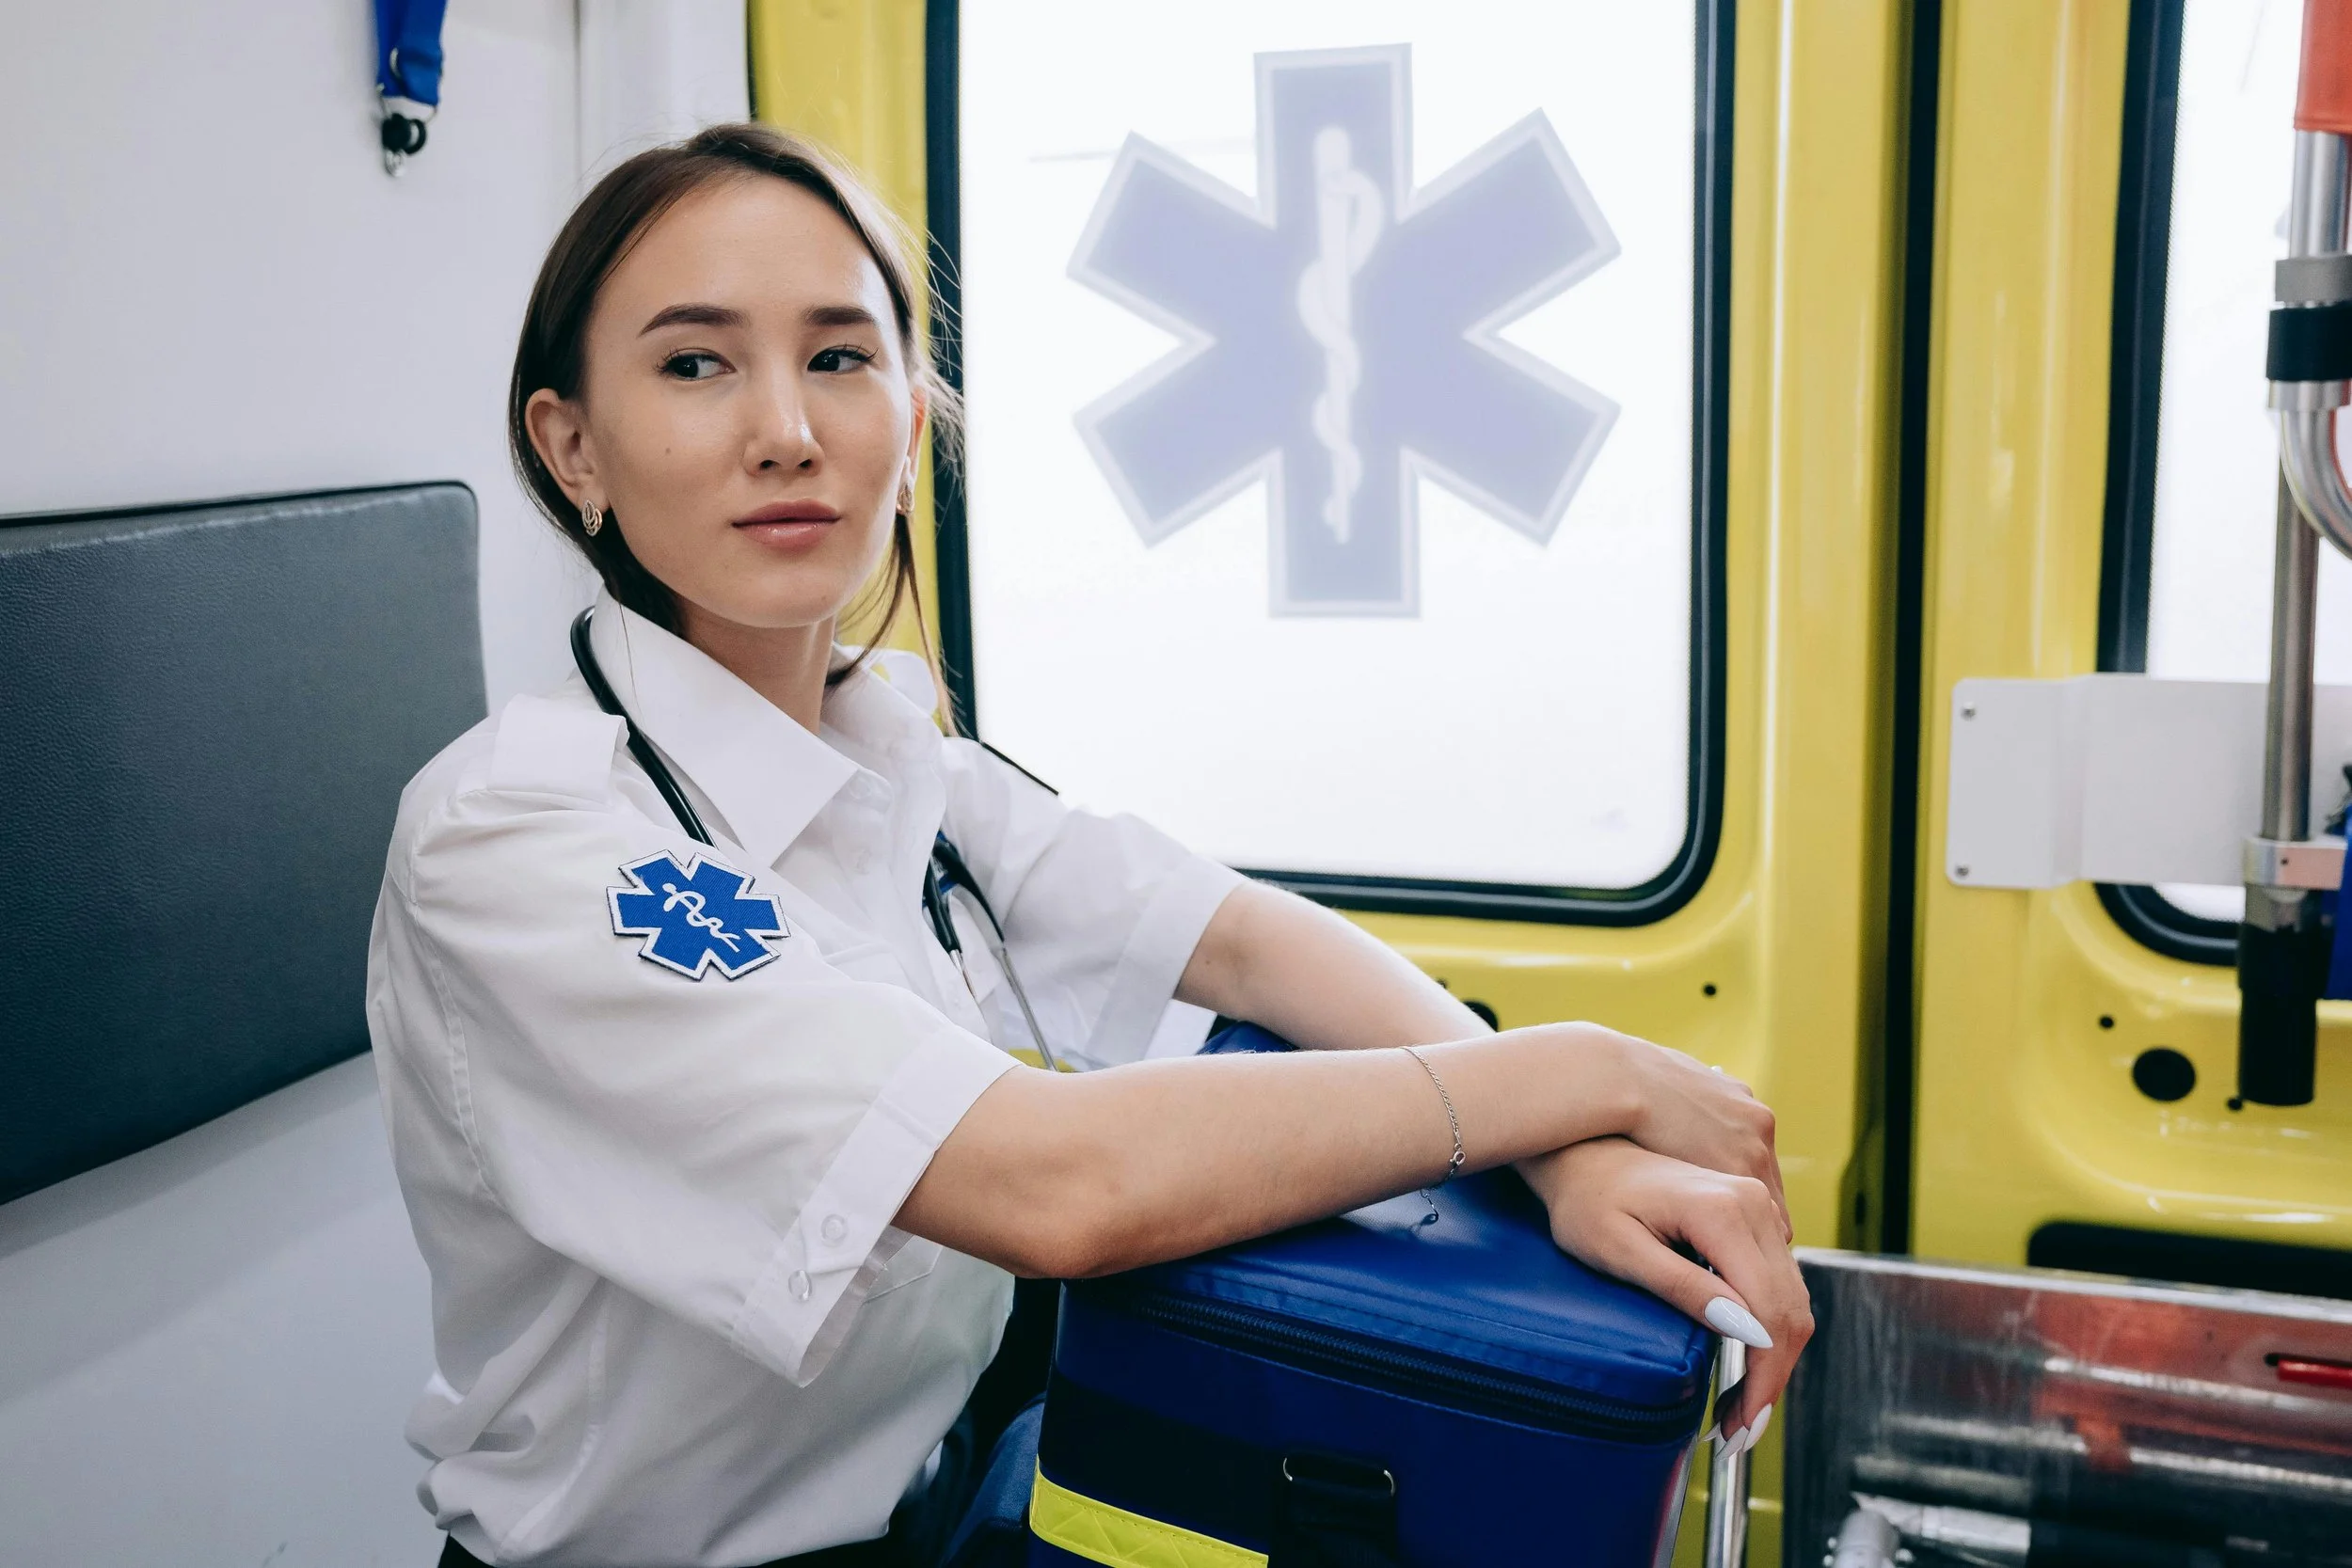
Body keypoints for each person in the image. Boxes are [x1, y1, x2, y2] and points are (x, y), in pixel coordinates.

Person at [367, 122, 1810, 1568]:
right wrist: (1584, 1070)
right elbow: (1053, 1185)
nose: (786, 430)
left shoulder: (899, 758)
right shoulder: (519, 835)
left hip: (937, 1511)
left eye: (839, 356)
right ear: (573, 447)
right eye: (695, 363)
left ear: (912, 417)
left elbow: (1239, 935)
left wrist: (1567, 1158)